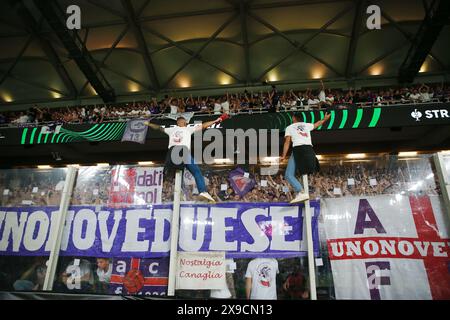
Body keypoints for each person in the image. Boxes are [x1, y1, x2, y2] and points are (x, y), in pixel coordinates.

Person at [144, 114, 229, 202]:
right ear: (182, 122)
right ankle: (197, 191)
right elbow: (158, 128)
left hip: (175, 154)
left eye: (181, 121)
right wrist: (149, 124)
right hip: (179, 151)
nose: (180, 122)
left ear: (184, 122)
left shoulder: (183, 129)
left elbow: (204, 125)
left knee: (186, 172)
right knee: (190, 172)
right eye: (180, 121)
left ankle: (191, 192)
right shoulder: (181, 129)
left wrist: (215, 121)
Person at [280, 112, 331, 203]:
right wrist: (325, 119)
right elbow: (318, 124)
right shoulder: (306, 125)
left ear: (294, 119)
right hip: (309, 151)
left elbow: (287, 142)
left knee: (288, 175)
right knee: (302, 173)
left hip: (299, 150)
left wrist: (283, 156)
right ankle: (301, 192)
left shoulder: (290, 127)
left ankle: (301, 191)